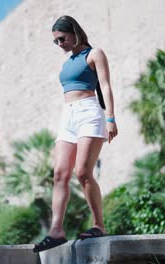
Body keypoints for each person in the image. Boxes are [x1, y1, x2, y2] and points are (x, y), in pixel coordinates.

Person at [33, 15, 118, 253]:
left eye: (62, 38)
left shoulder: (94, 54)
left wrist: (110, 118)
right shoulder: (67, 62)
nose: (60, 44)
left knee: (82, 172)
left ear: (73, 32)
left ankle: (99, 225)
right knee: (60, 173)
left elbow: (106, 86)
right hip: (68, 116)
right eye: (55, 42)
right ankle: (56, 231)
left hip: (89, 112)